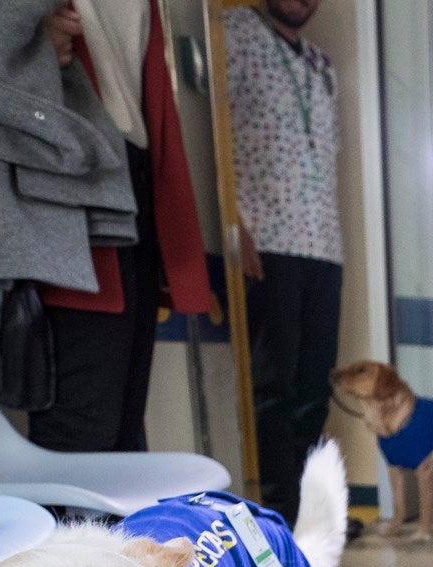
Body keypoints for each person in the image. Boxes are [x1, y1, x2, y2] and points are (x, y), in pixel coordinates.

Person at [35, 0, 213, 454]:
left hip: (133, 168)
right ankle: (74, 528)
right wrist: (19, 25)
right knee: (85, 427)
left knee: (125, 427)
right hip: (65, 165)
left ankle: (113, 527)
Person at [225, 0, 342, 525]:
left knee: (314, 391)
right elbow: (216, 133)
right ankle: (276, 517)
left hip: (324, 245)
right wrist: (236, 224)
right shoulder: (232, 33)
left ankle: (310, 517)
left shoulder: (320, 63)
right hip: (266, 240)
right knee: (272, 390)